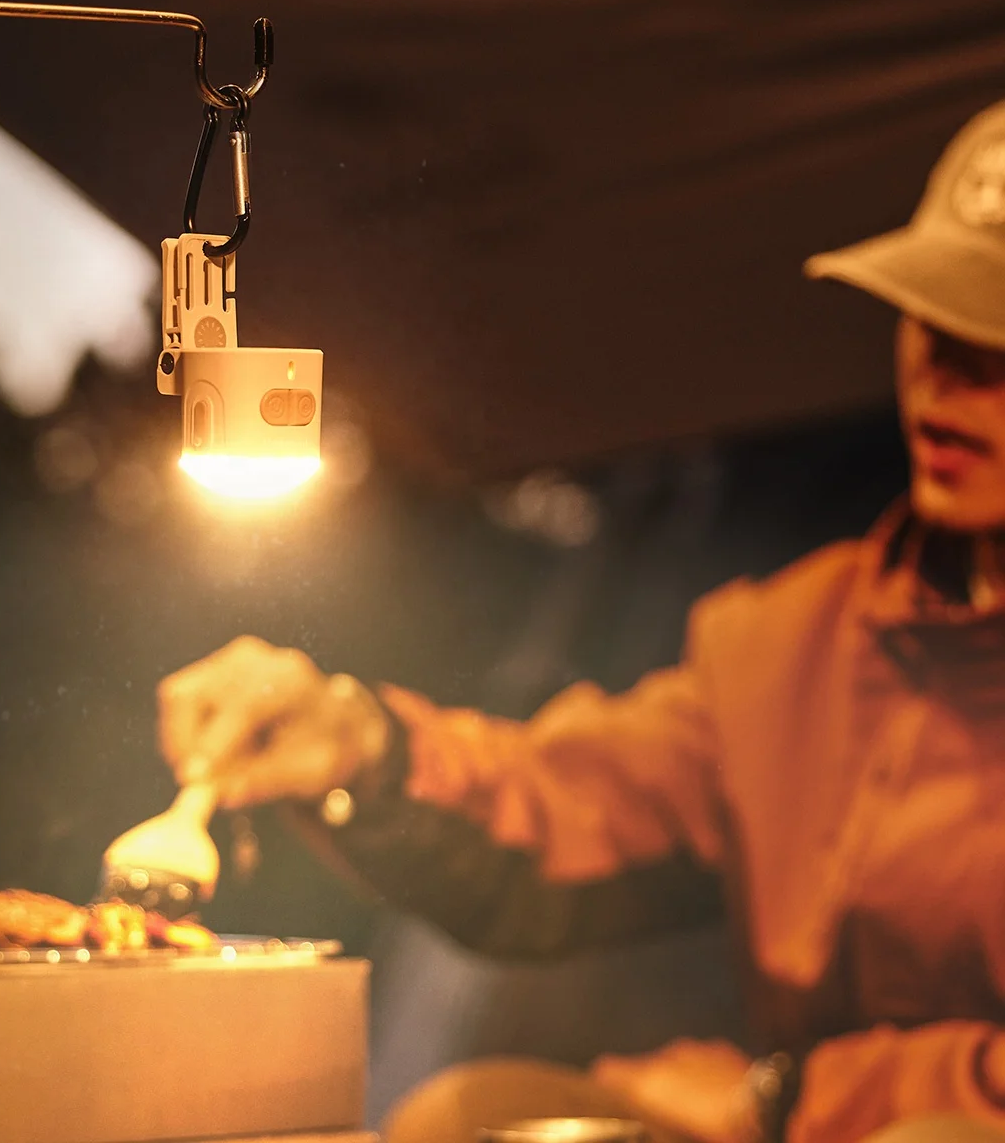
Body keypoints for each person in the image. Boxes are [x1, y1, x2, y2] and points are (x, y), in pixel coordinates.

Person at [156, 102, 1005, 1143]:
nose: (946, 381)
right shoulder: (801, 641)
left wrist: (782, 1100)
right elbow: (577, 802)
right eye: (931, 318)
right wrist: (362, 750)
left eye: (997, 339)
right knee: (468, 1113)